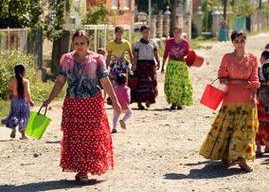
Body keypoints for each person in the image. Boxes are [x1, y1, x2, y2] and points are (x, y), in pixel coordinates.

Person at [42, 30, 121, 183]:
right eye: (76, 43)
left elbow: (105, 82)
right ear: (73, 44)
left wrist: (115, 101)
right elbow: (60, 81)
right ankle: (82, 170)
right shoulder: (67, 59)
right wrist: (49, 99)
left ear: (88, 44)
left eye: (82, 43)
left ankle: (90, 166)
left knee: (93, 136)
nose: (79, 46)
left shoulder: (97, 59)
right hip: (73, 103)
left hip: (93, 103)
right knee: (76, 137)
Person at [200, 31, 260, 172]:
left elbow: (255, 81)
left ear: (245, 41)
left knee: (244, 132)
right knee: (227, 130)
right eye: (236, 41)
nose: (239, 43)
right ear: (232, 43)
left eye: (242, 40)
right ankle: (228, 156)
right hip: (230, 101)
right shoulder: (227, 58)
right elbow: (222, 78)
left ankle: (242, 159)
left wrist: (253, 96)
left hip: (247, 102)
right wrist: (242, 82)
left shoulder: (252, 59)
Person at [161, 27, 193, 110]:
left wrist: (187, 59)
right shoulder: (169, 42)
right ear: (173, 32)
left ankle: (180, 103)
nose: (176, 34)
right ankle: (174, 102)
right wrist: (162, 66)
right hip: (172, 65)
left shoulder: (185, 43)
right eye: (175, 32)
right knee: (172, 84)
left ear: (181, 32)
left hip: (181, 66)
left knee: (180, 84)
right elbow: (165, 54)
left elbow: (188, 54)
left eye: (178, 32)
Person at [2, 64, 34, 139]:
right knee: (23, 117)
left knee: (14, 115)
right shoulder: (26, 81)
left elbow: (9, 91)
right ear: (23, 71)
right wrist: (30, 101)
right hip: (23, 101)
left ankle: (13, 128)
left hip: (15, 101)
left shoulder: (12, 81)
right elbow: (27, 93)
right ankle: (23, 135)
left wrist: (7, 97)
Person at [131, 25, 160, 110]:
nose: (146, 34)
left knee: (151, 83)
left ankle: (148, 100)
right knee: (140, 84)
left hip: (150, 65)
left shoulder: (153, 42)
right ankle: (139, 102)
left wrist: (158, 61)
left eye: (147, 32)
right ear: (141, 33)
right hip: (141, 65)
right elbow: (135, 56)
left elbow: (155, 53)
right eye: (144, 32)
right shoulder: (138, 43)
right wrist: (134, 64)